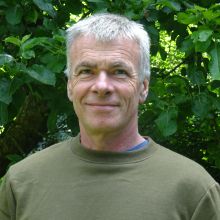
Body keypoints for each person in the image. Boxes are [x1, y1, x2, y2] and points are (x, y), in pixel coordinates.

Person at [0, 13, 219, 220]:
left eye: (119, 72)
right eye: (86, 71)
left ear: (143, 88)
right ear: (69, 86)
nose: (102, 86)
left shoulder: (194, 189)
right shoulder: (21, 182)